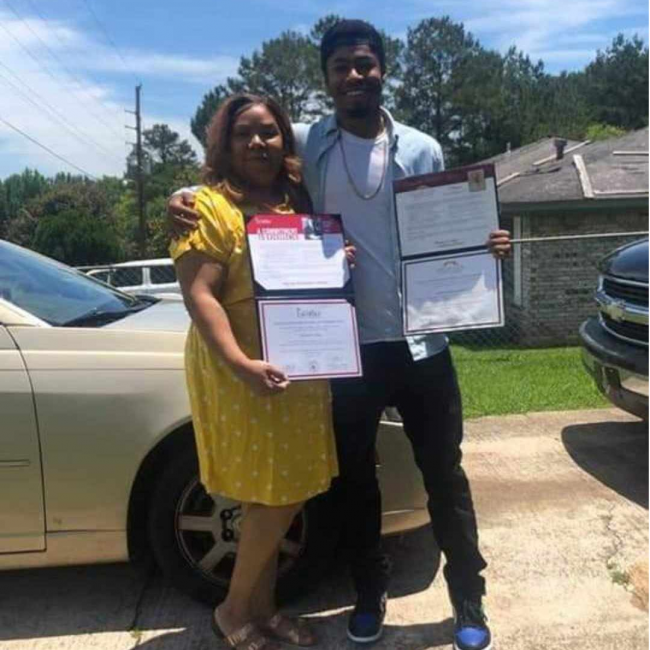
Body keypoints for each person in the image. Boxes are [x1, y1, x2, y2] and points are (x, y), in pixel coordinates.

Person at [169, 21, 511, 650]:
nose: (355, 76)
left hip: (422, 344)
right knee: (356, 481)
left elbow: (446, 230)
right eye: (341, 68)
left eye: (365, 64)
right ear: (325, 80)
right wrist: (183, 193)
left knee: (445, 475)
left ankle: (469, 597)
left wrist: (484, 243)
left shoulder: (425, 149)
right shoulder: (310, 142)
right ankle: (370, 594)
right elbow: (240, 156)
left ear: (383, 69)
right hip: (346, 347)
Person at [170, 92, 343, 650]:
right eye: (244, 132)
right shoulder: (207, 207)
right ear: (223, 142)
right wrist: (242, 364)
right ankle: (235, 609)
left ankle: (265, 610)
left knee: (281, 491)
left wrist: (336, 262)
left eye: (269, 131)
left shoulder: (296, 199)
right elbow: (200, 297)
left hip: (299, 364)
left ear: (284, 139)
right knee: (270, 494)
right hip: (238, 367)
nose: (258, 142)